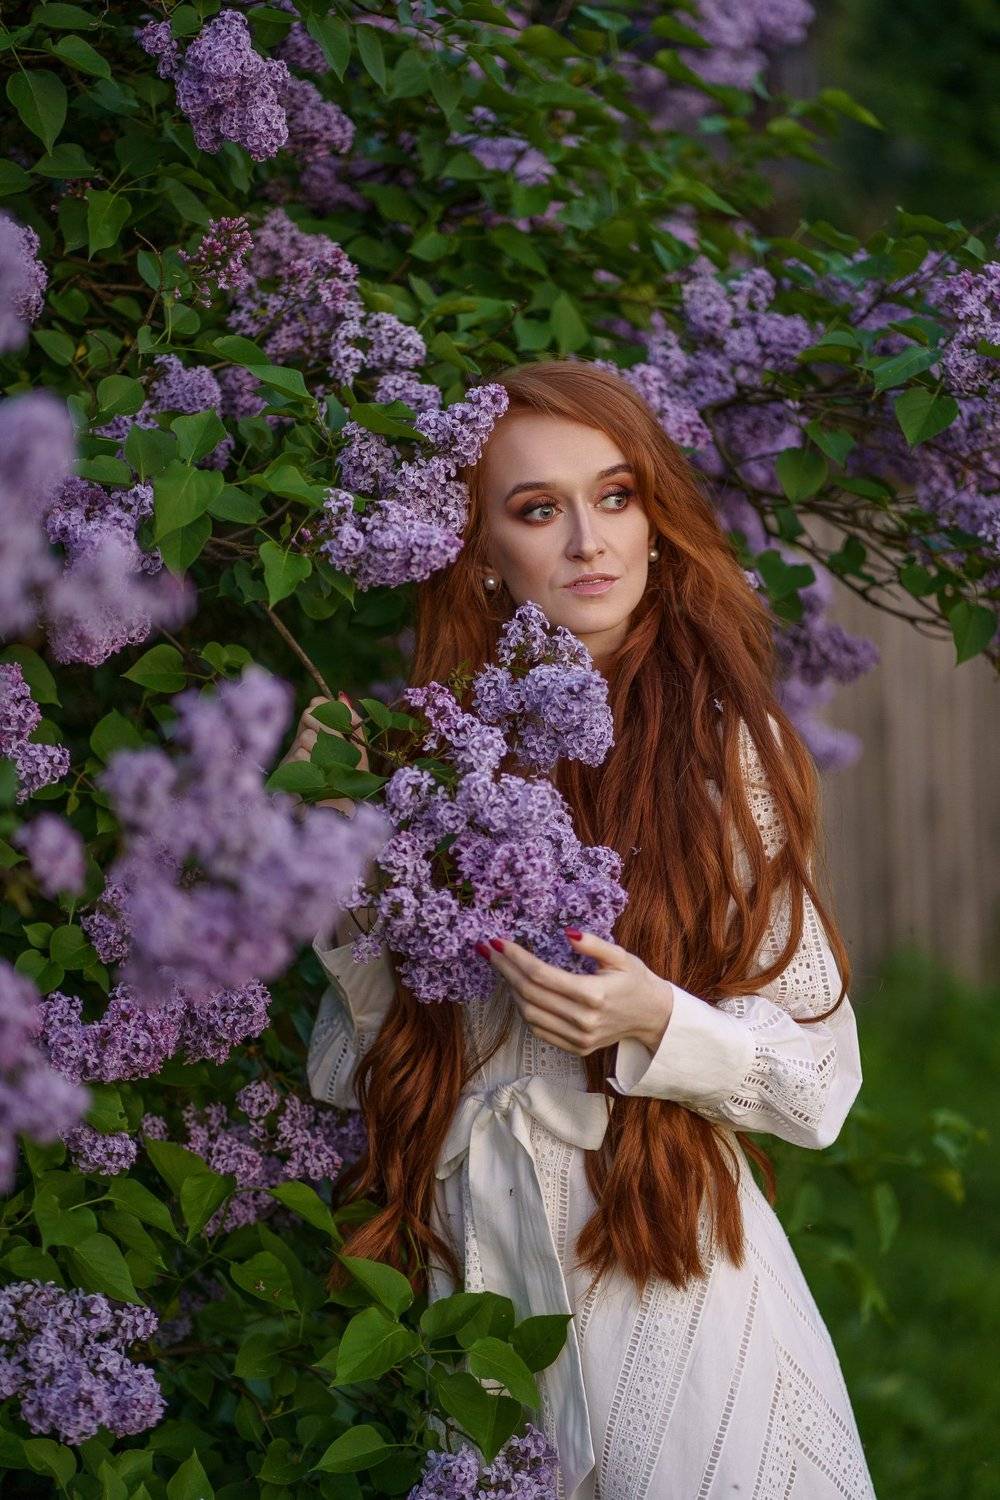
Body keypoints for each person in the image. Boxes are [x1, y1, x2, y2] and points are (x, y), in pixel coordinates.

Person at [291, 360, 878, 1499]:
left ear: (656, 522)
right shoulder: (431, 758)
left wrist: (654, 1018)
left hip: (665, 1271)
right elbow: (347, 1068)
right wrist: (346, 859)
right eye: (536, 509)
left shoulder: (723, 748)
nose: (588, 541)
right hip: (479, 1286)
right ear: (477, 552)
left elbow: (816, 1084)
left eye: (614, 496)